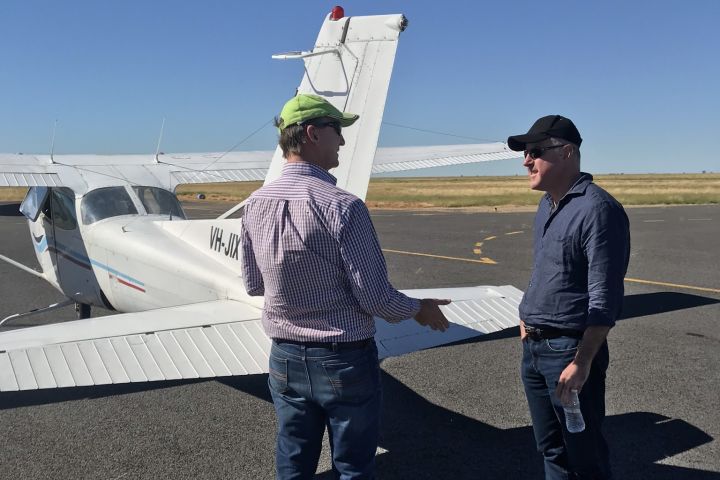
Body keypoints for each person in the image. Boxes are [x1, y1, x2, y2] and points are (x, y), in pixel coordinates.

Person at [240, 93, 451, 479]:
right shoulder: (343, 206)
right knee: (353, 465)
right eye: (337, 130)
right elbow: (375, 297)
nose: (342, 140)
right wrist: (419, 308)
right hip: (343, 360)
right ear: (312, 134)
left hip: (284, 357)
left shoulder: (254, 204)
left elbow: (254, 284)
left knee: (294, 457)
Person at [507, 115, 630, 479]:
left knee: (584, 454)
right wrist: (526, 318)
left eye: (535, 152)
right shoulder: (548, 204)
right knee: (551, 449)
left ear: (567, 153)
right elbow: (547, 271)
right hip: (535, 349)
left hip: (568, 353)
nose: (526, 161)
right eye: (526, 153)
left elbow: (604, 297)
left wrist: (582, 362)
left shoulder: (598, 210)